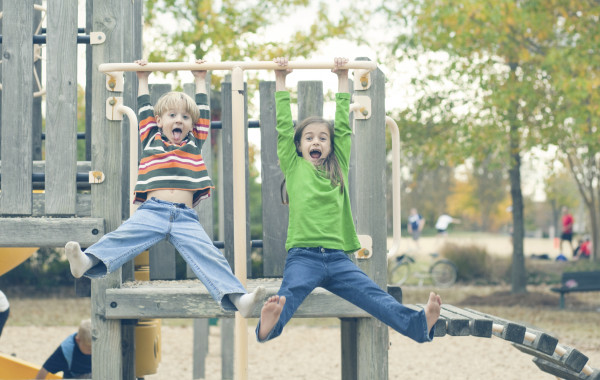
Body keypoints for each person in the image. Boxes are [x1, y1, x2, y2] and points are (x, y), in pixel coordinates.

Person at [255, 57, 441, 344]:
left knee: (375, 296)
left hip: (338, 258)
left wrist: (343, 78)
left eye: (322, 138)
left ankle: (417, 326)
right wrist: (281, 79)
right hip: (303, 256)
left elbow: (342, 126)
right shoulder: (294, 166)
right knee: (286, 296)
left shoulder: (337, 166)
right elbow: (282, 126)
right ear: (299, 145)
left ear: (331, 147)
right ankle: (268, 327)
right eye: (308, 138)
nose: (315, 142)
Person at [65, 59, 264, 318]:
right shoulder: (151, 138)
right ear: (159, 121)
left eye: (184, 117)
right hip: (152, 211)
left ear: (192, 125)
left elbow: (202, 112)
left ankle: (239, 299)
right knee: (121, 237)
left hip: (185, 217)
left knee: (209, 255)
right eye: (172, 116)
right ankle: (86, 262)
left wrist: (201, 79)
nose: (179, 120)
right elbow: (144, 108)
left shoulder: (195, 142)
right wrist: (143, 78)